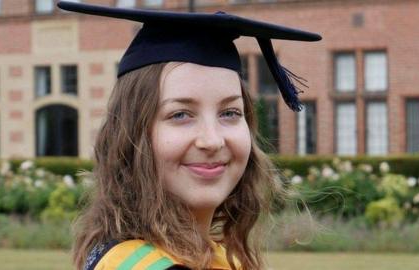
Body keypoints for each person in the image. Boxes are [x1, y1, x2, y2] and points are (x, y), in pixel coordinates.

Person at [57, 1, 321, 270]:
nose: (212, 140)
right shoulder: (138, 264)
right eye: (180, 114)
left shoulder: (213, 258)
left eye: (229, 113)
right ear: (131, 135)